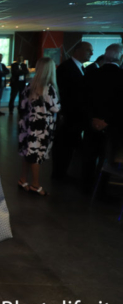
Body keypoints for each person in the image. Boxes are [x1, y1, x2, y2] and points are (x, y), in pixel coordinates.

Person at [82, 44, 123, 193]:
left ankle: (86, 186)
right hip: (112, 126)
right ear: (121, 58)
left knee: (89, 156)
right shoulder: (121, 76)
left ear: (105, 56)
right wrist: (107, 121)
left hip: (91, 123)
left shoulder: (91, 74)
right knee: (108, 158)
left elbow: (83, 100)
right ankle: (101, 188)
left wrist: (93, 119)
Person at [17, 58, 60, 196]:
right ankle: (35, 185)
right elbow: (55, 108)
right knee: (36, 154)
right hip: (41, 126)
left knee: (27, 152)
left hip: (27, 123)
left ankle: (23, 179)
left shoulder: (30, 85)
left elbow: (22, 106)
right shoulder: (48, 88)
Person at [52, 42, 93, 180]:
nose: (91, 53)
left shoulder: (80, 67)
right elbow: (65, 93)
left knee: (69, 145)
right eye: (88, 50)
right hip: (69, 115)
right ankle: (59, 174)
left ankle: (63, 173)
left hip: (75, 116)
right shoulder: (66, 68)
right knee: (64, 145)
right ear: (78, 50)